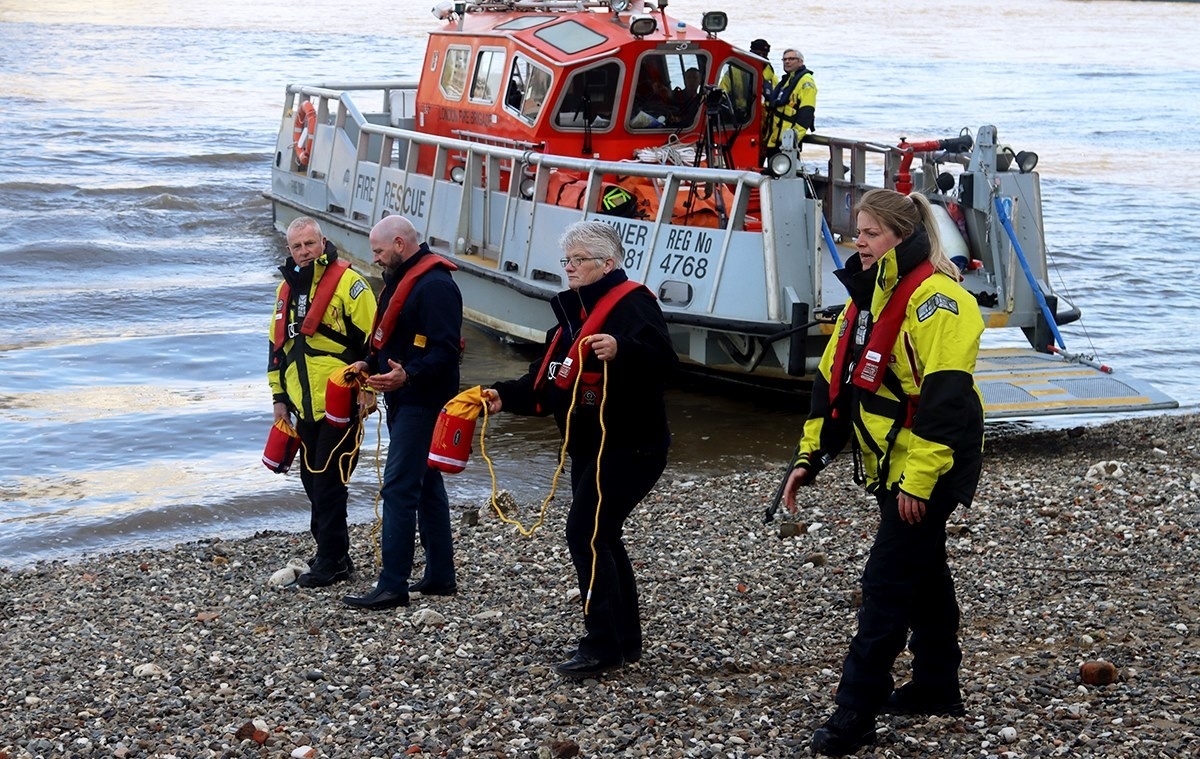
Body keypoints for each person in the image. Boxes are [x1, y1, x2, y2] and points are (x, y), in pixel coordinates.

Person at [781, 189, 985, 756]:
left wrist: (918, 484)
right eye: (856, 232)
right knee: (923, 570)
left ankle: (855, 712)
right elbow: (831, 387)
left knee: (886, 585)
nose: (857, 243)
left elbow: (946, 402)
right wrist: (809, 459)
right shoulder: (864, 301)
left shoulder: (940, 303)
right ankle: (937, 684)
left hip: (933, 462)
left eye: (869, 233)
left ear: (901, 235)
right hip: (888, 460)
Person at [481, 220, 676, 679]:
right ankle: (625, 639)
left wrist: (622, 349)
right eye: (566, 261)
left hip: (632, 446)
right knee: (601, 535)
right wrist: (500, 396)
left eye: (579, 261)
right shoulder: (572, 317)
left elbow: (665, 365)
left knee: (586, 533)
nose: (569, 269)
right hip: (592, 448)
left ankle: (602, 644)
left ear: (608, 264)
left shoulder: (633, 305)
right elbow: (544, 383)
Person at [341, 215, 464, 611]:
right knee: (427, 484)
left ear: (398, 243)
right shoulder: (403, 278)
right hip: (407, 396)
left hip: (423, 402)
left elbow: (446, 352)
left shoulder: (436, 286)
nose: (373, 258)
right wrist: (368, 363)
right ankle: (441, 576)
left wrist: (406, 376)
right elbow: (393, 338)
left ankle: (392, 585)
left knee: (397, 489)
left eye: (377, 250)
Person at [268, 217, 377, 587]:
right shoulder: (286, 290)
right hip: (304, 405)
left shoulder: (350, 284)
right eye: (297, 246)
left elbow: (376, 342)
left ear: (323, 242)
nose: (304, 251)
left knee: (329, 482)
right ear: (289, 250)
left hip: (342, 402)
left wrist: (369, 388)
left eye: (310, 244)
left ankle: (330, 562)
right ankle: (335, 553)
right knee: (311, 481)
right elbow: (276, 350)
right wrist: (279, 399)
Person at [764, 48, 817, 158]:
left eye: (791, 59)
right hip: (775, 139)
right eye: (784, 59)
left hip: (788, 142)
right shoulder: (787, 80)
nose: (787, 62)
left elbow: (806, 114)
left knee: (787, 173)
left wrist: (793, 140)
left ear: (800, 62)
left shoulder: (806, 82)